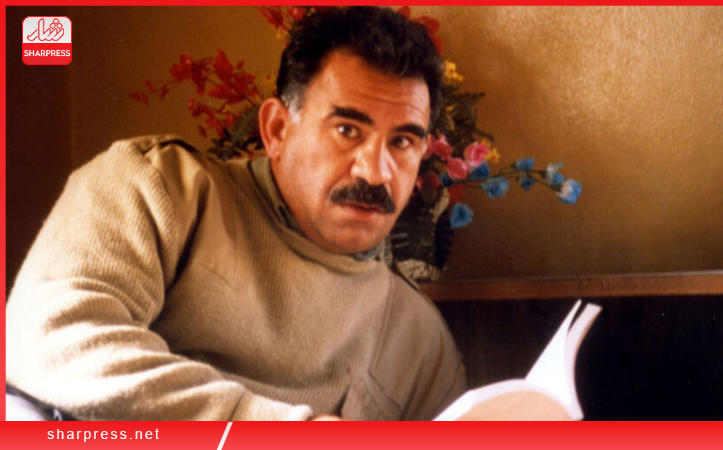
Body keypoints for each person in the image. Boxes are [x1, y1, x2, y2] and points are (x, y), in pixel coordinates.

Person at [6, 6, 466, 421]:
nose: (375, 171)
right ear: (277, 130)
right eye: (347, 130)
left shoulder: (421, 343)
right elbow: (46, 336)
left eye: (402, 141)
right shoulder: (161, 188)